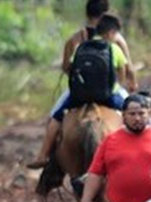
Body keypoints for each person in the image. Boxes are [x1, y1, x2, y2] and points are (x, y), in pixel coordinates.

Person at [27, 10, 133, 169]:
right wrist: (119, 85)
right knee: (134, 113)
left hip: (80, 95)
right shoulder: (114, 48)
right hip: (108, 95)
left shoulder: (80, 47)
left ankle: (43, 155)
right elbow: (123, 72)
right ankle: (138, 152)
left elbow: (69, 67)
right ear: (111, 33)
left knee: (56, 117)